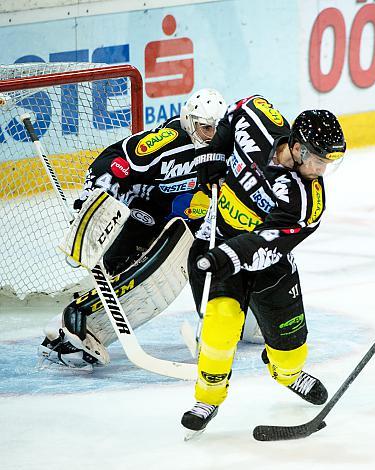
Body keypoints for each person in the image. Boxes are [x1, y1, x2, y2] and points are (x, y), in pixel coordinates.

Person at [180, 95, 346, 435]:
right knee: (220, 324)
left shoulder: (306, 200)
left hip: (268, 264)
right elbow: (236, 112)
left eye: (329, 162)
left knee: (289, 350)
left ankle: (287, 373)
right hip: (220, 236)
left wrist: (227, 256)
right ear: (297, 147)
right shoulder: (259, 119)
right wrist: (213, 156)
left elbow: (270, 243)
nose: (321, 170)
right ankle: (208, 397)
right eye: (317, 160)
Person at [38, 88, 233, 369]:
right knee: (122, 278)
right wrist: (91, 203)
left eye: (216, 128)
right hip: (142, 213)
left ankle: (229, 320)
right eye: (205, 128)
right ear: (190, 122)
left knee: (209, 264)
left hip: (183, 220)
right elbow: (113, 162)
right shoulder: (168, 142)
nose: (212, 135)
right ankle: (67, 332)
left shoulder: (221, 147)